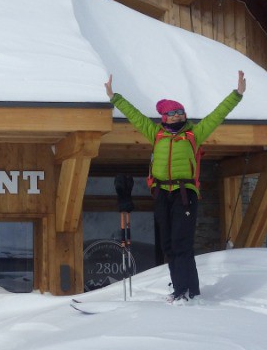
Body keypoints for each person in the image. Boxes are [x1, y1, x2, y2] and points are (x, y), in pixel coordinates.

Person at [105, 70, 246, 302]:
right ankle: (181, 288)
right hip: (162, 194)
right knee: (168, 245)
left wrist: (237, 94)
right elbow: (135, 116)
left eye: (180, 112)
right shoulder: (156, 134)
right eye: (172, 113)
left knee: (182, 243)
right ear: (164, 117)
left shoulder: (193, 134)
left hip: (184, 194)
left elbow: (217, 115)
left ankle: (187, 291)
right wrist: (114, 97)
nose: (177, 115)